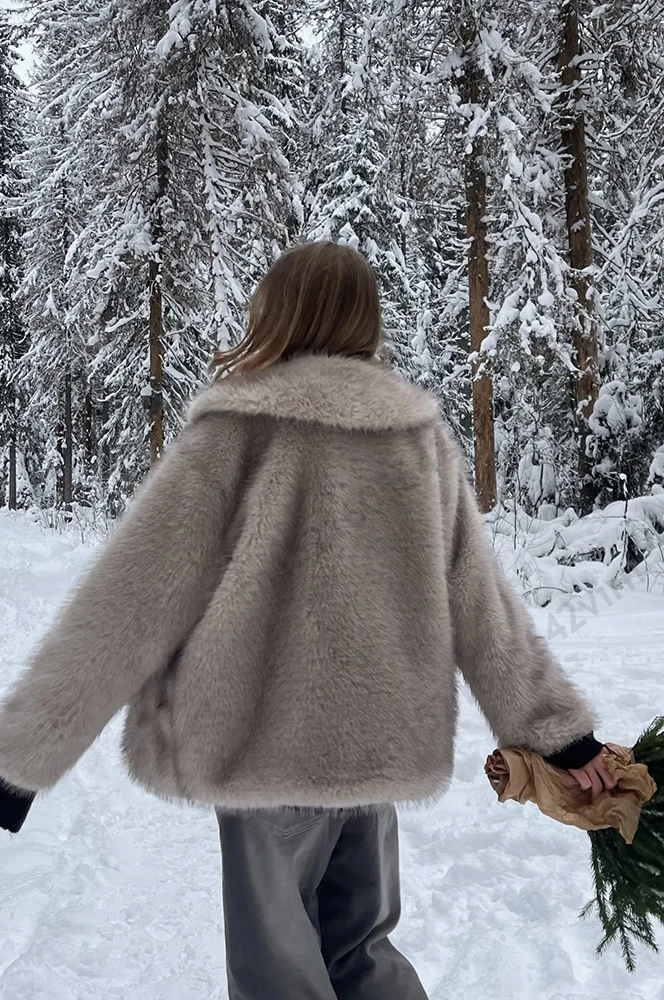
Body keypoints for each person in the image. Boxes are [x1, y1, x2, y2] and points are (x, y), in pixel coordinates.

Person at [0, 240, 614, 999]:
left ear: (276, 312)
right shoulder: (415, 439)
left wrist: (21, 758)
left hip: (261, 754)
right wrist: (562, 735)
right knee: (364, 957)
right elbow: (485, 612)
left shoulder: (236, 433)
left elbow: (130, 604)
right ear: (366, 320)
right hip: (375, 755)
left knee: (278, 977)